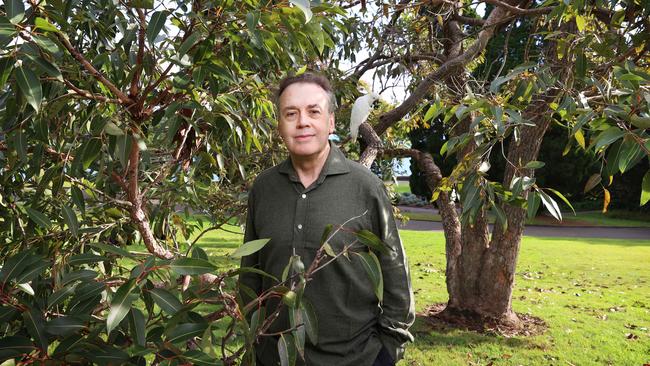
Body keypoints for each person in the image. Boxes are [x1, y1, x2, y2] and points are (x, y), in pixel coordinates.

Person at [239, 72, 414, 366]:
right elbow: (250, 275)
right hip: (275, 358)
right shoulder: (264, 188)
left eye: (313, 112)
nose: (302, 121)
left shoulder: (365, 187)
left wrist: (386, 353)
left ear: (330, 122)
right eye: (290, 113)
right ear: (280, 125)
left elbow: (396, 275)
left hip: (355, 359)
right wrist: (253, 341)